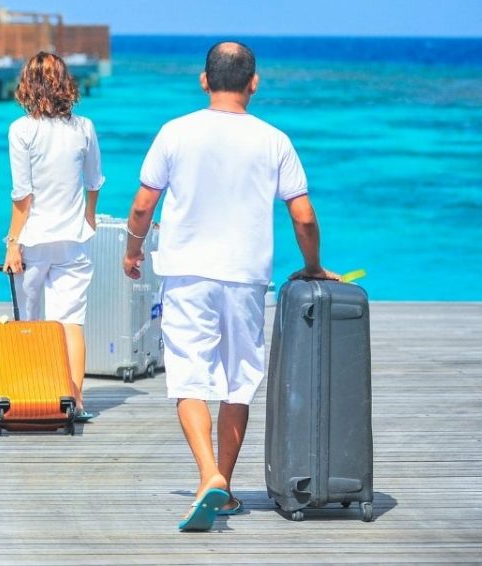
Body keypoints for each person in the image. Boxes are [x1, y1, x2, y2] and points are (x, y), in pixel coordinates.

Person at [122, 41, 338, 531]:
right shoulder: (274, 140)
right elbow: (302, 216)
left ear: (204, 80)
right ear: (253, 82)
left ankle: (207, 477)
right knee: (238, 379)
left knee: (188, 375)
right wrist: (313, 267)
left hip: (187, 271)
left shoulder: (175, 132)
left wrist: (133, 250)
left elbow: (141, 206)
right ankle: (224, 483)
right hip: (245, 277)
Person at [2, 51, 105, 421]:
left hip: (33, 240)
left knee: (27, 323)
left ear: (26, 85)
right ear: (66, 84)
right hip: (74, 239)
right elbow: (94, 181)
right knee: (71, 322)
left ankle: (30, 394)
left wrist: (12, 242)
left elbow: (22, 195)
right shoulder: (84, 127)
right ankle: (74, 401)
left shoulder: (22, 130)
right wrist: (88, 217)